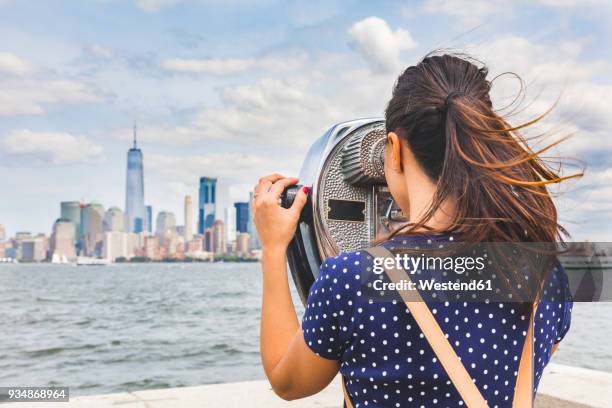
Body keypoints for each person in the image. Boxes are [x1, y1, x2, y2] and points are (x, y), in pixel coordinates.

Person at [252, 54, 576, 407]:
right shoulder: (548, 275)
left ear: (394, 149)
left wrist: (273, 249)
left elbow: (288, 382)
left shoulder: (351, 279)